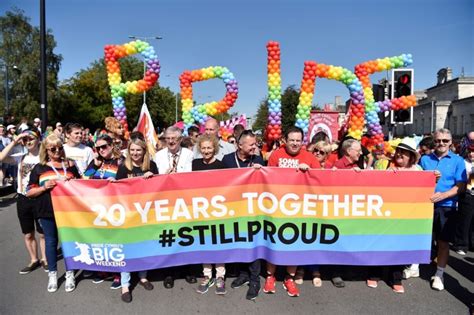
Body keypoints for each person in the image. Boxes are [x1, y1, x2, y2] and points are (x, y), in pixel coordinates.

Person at [264, 127, 319, 297]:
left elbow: (320, 178)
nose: (295, 143)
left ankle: (290, 277)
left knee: (294, 242)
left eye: (298, 140)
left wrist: (308, 171)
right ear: (285, 141)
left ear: (302, 142)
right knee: (274, 240)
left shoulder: (309, 157)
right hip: (278, 206)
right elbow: (267, 178)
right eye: (292, 140)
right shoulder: (275, 155)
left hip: (300, 207)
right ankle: (270, 276)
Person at [26, 134, 81, 293]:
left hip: (68, 211)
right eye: (53, 149)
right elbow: (29, 192)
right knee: (51, 242)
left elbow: (82, 183)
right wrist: (44, 187)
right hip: (47, 210)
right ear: (46, 150)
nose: (57, 151)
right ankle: (52, 274)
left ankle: (70, 272)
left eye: (60, 147)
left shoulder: (70, 164)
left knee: (68, 242)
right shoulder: (40, 168)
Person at [367, 137, 422, 294]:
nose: (399, 155)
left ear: (411, 156)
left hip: (407, 215)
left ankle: (395, 278)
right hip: (386, 213)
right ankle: (374, 274)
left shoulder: (419, 171)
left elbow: (426, 189)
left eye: (403, 153)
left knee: (400, 246)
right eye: (398, 151)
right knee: (380, 243)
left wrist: (435, 178)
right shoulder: (385, 165)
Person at [418, 128, 467, 291]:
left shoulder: (458, 161)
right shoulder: (424, 159)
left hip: (447, 207)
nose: (441, 144)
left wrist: (443, 195)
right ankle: (413, 266)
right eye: (438, 140)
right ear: (434, 141)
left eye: (445, 141)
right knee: (420, 237)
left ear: (450, 142)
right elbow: (415, 179)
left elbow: (461, 186)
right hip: (424, 205)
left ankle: (439, 274)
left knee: (443, 242)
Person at [222, 130, 264, 300]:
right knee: (239, 242)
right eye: (252, 144)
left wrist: (260, 171)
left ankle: (255, 280)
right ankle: (243, 274)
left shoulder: (258, 160)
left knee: (253, 243)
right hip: (234, 209)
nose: (255, 147)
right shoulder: (227, 160)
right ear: (240, 145)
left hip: (253, 210)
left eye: (256, 144)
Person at [116, 132, 158, 303]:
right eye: (132, 150)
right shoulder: (123, 167)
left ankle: (143, 277)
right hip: (128, 214)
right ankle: (125, 285)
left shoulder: (152, 165)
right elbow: (117, 191)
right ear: (128, 151)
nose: (135, 153)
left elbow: (159, 189)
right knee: (127, 249)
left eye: (138, 150)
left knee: (144, 246)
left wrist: (152, 178)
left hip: (146, 213)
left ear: (144, 151)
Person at [0, 127, 47, 274]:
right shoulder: (21, 156)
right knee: (28, 233)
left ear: (38, 139)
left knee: (43, 232)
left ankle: (45, 258)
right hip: (23, 198)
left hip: (40, 197)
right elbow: (1, 157)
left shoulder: (44, 158)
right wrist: (16, 140)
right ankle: (34, 259)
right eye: (25, 140)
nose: (27, 142)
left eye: (30, 138)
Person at [154, 126, 194, 288]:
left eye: (174, 139)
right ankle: (169, 272)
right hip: (166, 202)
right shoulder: (158, 156)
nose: (171, 141)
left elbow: (192, 176)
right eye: (168, 138)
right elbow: (155, 178)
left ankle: (187, 270)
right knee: (169, 237)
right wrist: (166, 175)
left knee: (186, 236)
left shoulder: (189, 154)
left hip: (184, 201)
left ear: (180, 140)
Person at [192, 134, 227, 295]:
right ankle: (207, 275)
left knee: (219, 243)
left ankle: (220, 276)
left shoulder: (222, 165)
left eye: (209, 147)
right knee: (204, 243)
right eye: (203, 148)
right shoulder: (194, 164)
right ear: (200, 149)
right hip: (201, 212)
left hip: (218, 212)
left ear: (215, 148)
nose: (206, 151)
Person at [453, 142, 474, 255]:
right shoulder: (463, 162)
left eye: (473, 152)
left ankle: (472, 243)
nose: (471, 154)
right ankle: (461, 244)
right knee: (465, 220)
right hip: (467, 194)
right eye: (470, 151)